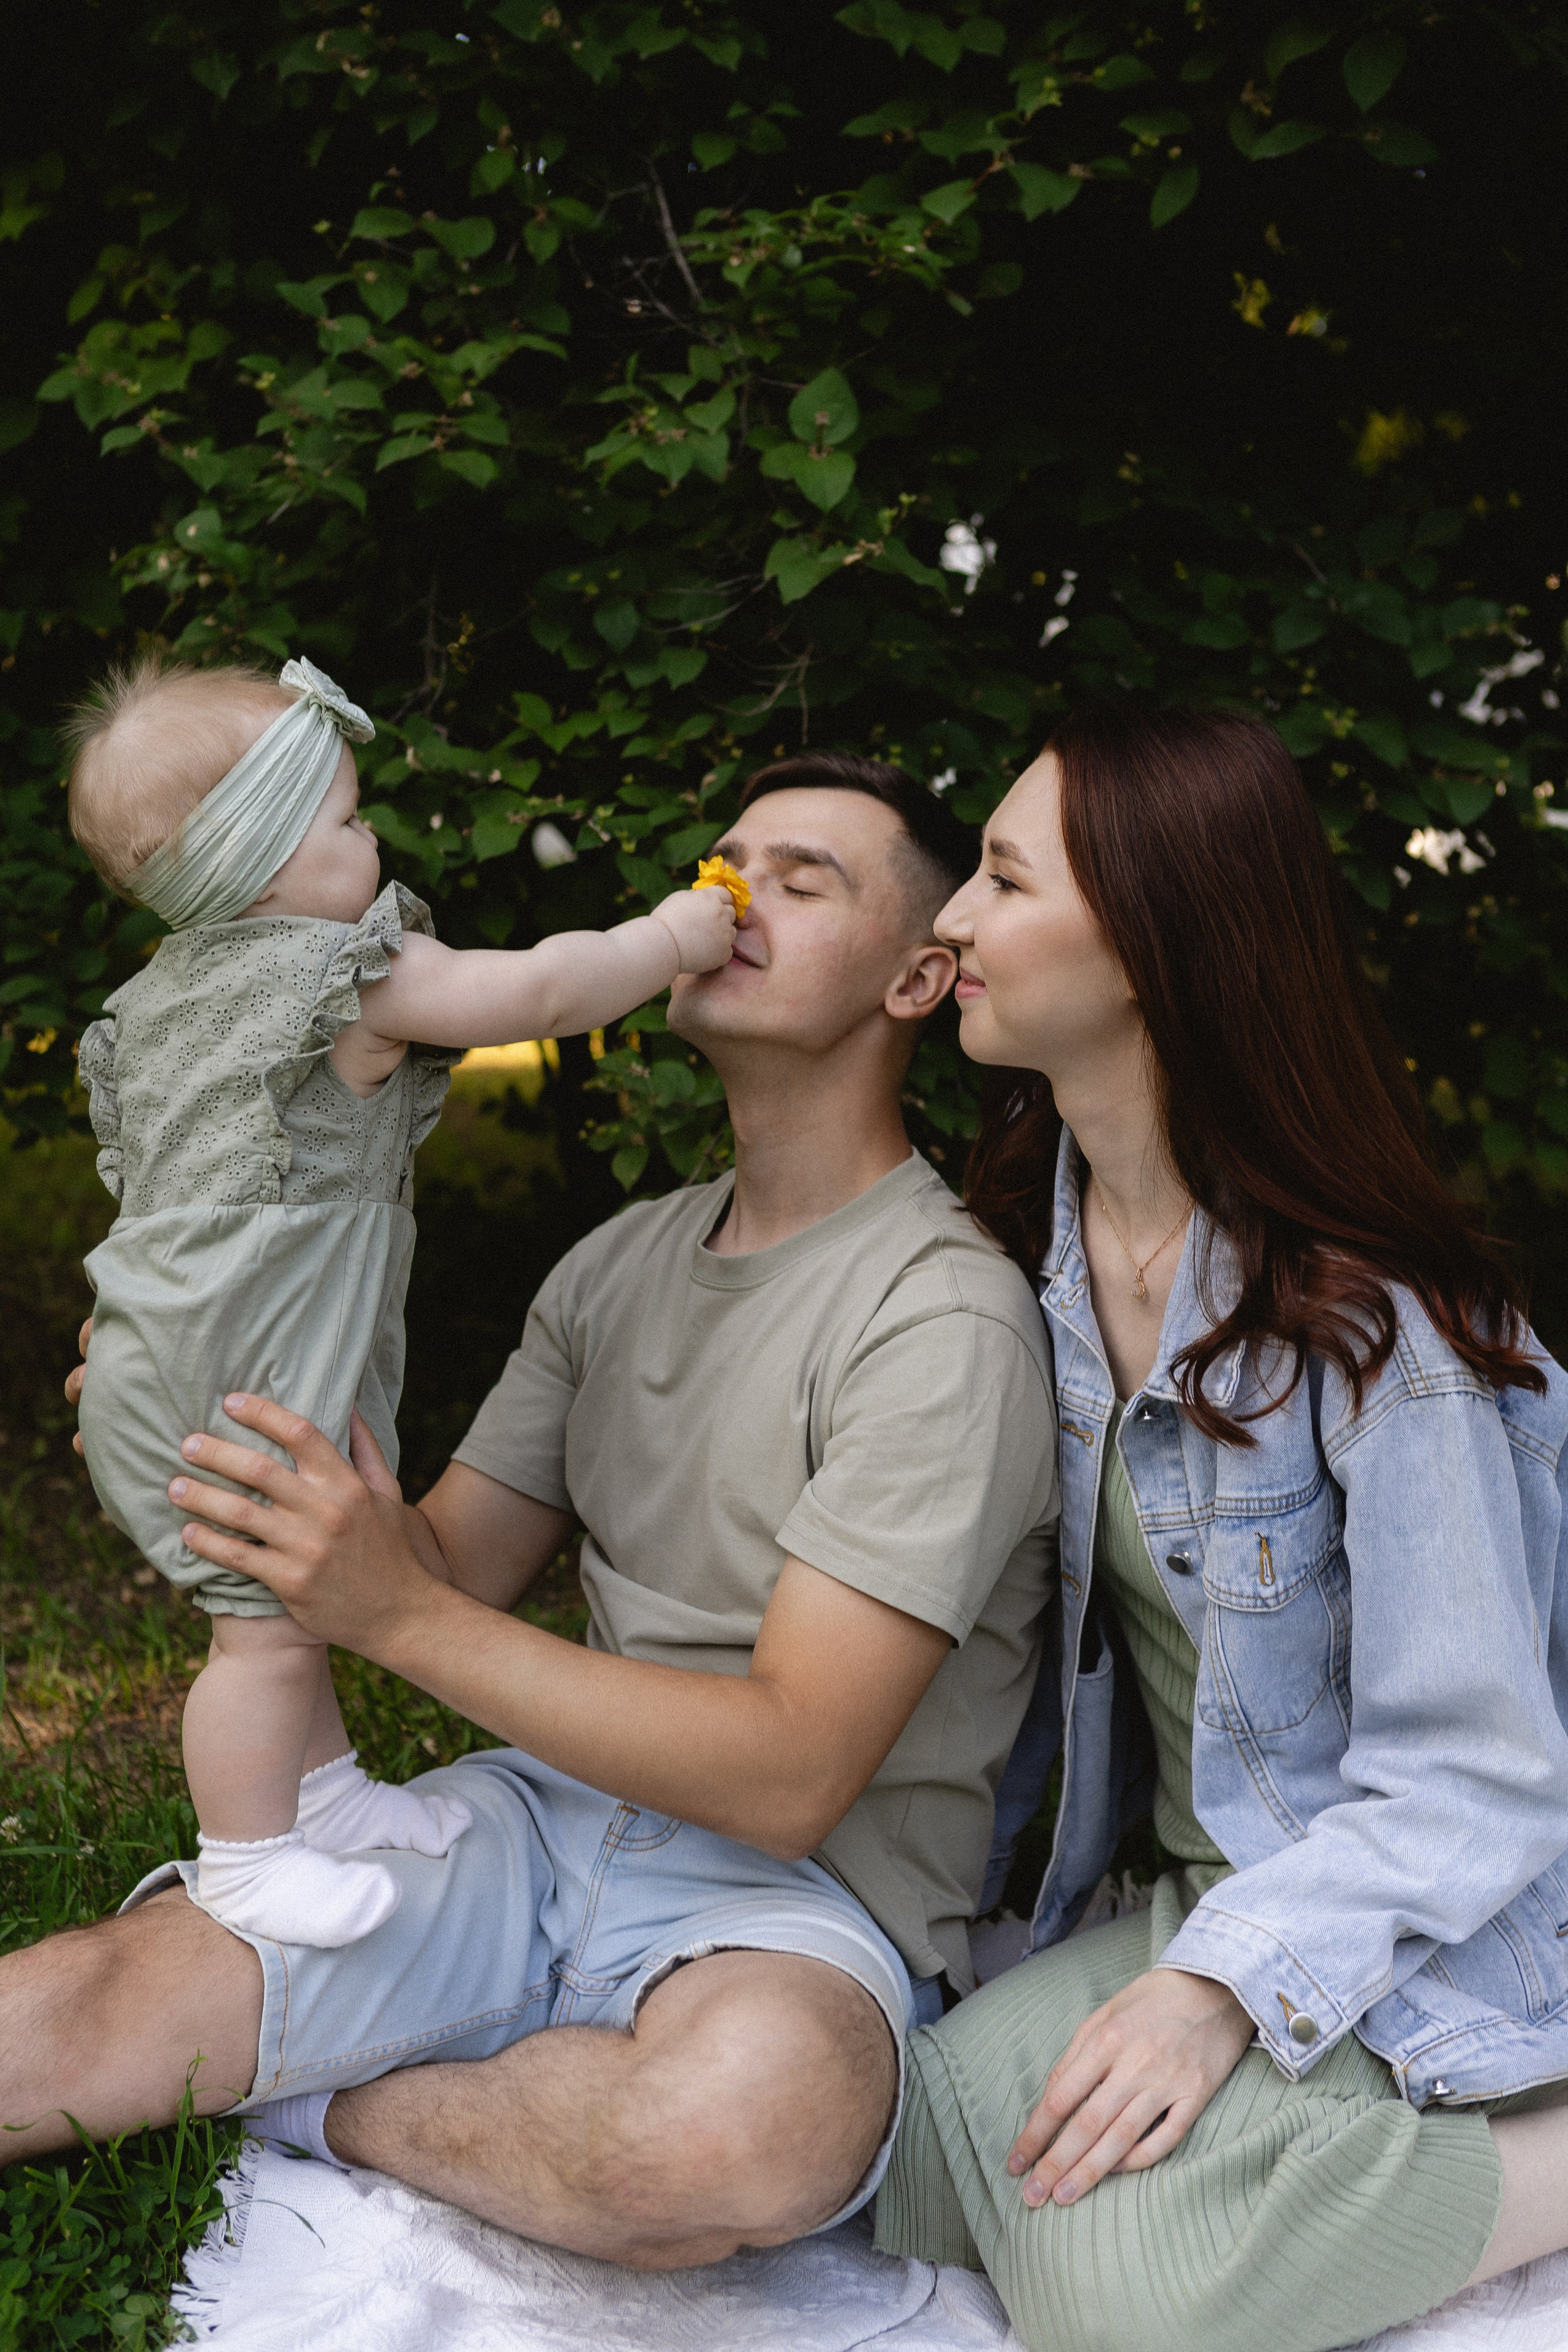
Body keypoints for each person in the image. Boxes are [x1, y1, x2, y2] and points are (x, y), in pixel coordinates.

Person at [2, 753, 1059, 2272]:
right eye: (723, 854)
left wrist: (404, 1615)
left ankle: (331, 2101)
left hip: (790, 1908)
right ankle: (446, 2077)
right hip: (541, 1827)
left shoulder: (937, 1315)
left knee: (727, 2135)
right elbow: (432, 1563)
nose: (728, 889)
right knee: (81, 2015)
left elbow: (786, 1778)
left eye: (799, 877)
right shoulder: (617, 1261)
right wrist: (198, 1428)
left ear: (916, 980)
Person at [872, 703, 1568, 2352]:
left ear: (1148, 948)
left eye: (1000, 879)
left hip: (1438, 1908)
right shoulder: (1018, 1270)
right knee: (900, 2157)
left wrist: (1214, 1996)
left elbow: (1478, 1779)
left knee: (1124, 2303)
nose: (951, 922)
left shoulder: (1378, 1337)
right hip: (1203, 1884)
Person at [64, 651, 736, 1948]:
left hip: (172, 1345)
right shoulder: (342, 977)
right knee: (258, 1632)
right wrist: (669, 939)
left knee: (287, 1602)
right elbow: (538, 990)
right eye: (345, 818)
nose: (370, 837)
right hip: (235, 1370)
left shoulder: (165, 999)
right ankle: (249, 1859)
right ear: (258, 862)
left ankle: (325, 1796)